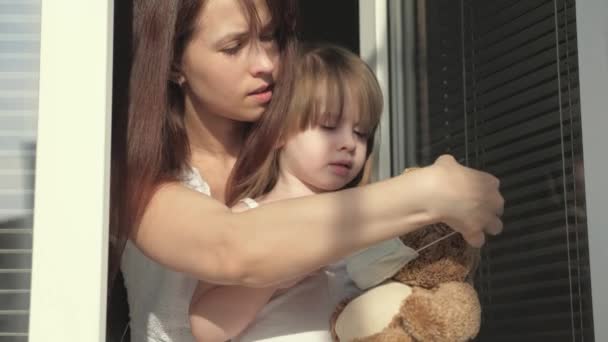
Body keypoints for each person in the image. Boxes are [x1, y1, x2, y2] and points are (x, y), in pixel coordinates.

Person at [110, 0, 504, 341]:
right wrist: (427, 192)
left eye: (270, 36)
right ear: (174, 63)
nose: (266, 63)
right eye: (233, 47)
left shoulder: (305, 160)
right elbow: (231, 247)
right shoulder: (139, 173)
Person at [188, 43, 384, 341]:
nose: (349, 143)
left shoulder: (361, 222)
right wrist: (274, 274)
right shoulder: (248, 219)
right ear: (278, 131)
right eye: (329, 125)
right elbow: (205, 328)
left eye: (361, 132)